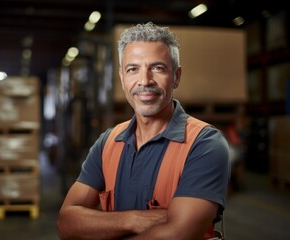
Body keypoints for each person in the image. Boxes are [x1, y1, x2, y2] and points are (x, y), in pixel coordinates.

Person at [57, 22, 231, 240]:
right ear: (122, 78)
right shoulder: (108, 142)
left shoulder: (204, 143)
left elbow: (179, 234)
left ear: (176, 76)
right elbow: (66, 222)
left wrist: (102, 225)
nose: (144, 81)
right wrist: (135, 220)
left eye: (157, 68)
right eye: (133, 69)